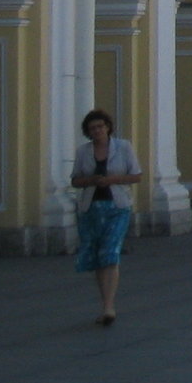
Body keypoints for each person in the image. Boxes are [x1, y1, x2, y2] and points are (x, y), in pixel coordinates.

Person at [71, 109, 142, 326]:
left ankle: (110, 306)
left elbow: (136, 175)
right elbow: (75, 180)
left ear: (108, 127)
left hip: (117, 207)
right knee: (98, 256)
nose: (97, 131)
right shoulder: (83, 152)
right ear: (88, 132)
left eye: (100, 126)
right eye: (92, 128)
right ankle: (105, 304)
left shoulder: (123, 147)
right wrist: (91, 180)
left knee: (110, 252)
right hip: (91, 209)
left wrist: (111, 180)